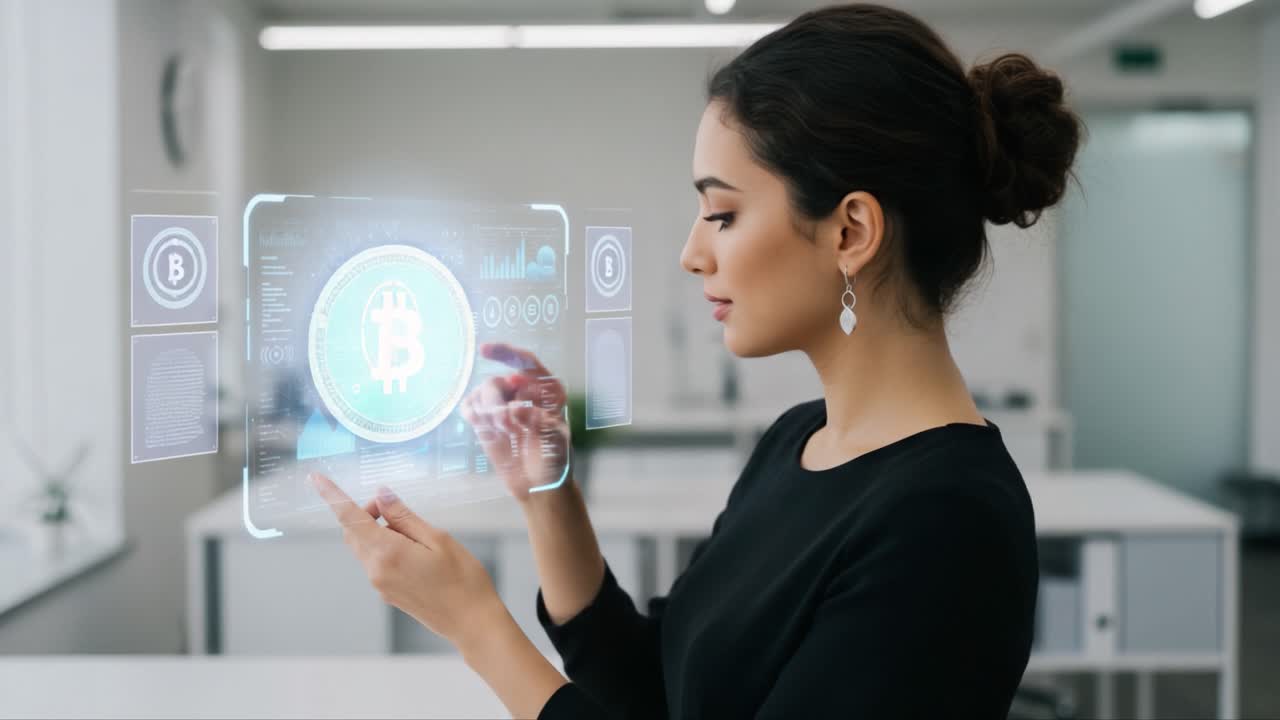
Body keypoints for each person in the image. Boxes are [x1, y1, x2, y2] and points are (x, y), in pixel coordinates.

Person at [310, 3, 1083, 717]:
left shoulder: (944, 524)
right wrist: (550, 496)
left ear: (850, 231)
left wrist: (475, 623)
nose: (691, 253)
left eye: (723, 213)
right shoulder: (796, 443)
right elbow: (662, 692)